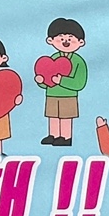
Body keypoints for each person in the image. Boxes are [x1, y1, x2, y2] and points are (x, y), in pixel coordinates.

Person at [35, 17, 88, 147]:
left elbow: (80, 83)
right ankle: (53, 135)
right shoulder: (53, 58)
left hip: (68, 96)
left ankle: (66, 137)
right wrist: (41, 81)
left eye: (70, 39)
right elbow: (47, 79)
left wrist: (61, 81)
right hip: (52, 94)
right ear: (50, 40)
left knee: (66, 117)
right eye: (61, 38)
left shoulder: (78, 61)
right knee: (52, 116)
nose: (65, 42)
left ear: (80, 42)